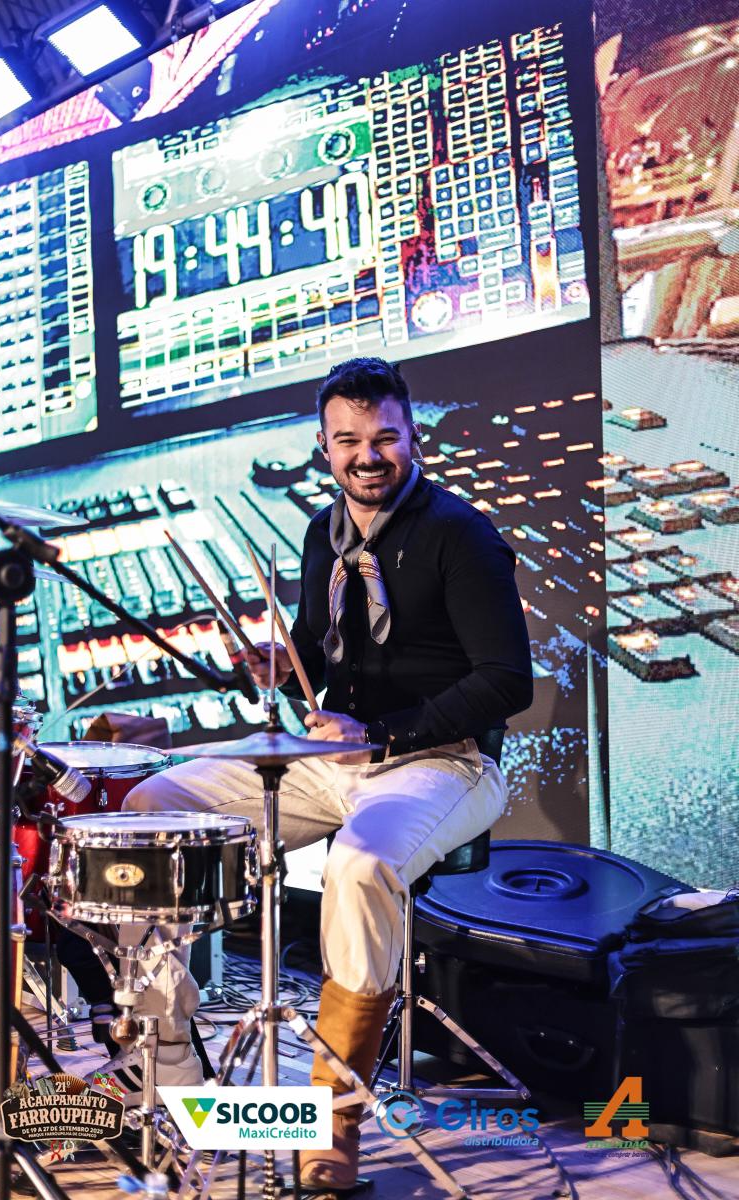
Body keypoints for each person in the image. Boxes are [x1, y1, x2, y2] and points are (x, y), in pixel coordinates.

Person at [99, 357, 533, 1190]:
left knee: (360, 867)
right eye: (348, 441)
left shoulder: (461, 534)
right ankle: (168, 1060)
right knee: (154, 806)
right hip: (336, 759)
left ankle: (333, 1126)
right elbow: (318, 642)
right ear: (325, 447)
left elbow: (507, 682)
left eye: (384, 438)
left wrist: (382, 730)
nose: (367, 456)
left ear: (412, 437)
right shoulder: (321, 532)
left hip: (441, 762)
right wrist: (281, 658)